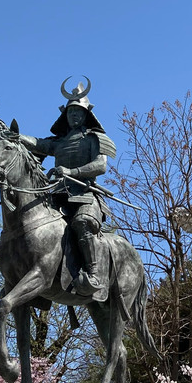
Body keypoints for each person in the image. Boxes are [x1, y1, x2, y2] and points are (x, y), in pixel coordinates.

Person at [18, 78, 116, 298]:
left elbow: (100, 165)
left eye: (78, 112)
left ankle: (93, 275)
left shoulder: (94, 139)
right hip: (58, 195)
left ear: (85, 115)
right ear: (65, 115)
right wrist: (15, 135)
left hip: (85, 196)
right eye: (70, 112)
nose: (74, 116)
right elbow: (37, 143)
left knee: (81, 223)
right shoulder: (59, 142)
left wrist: (72, 172)